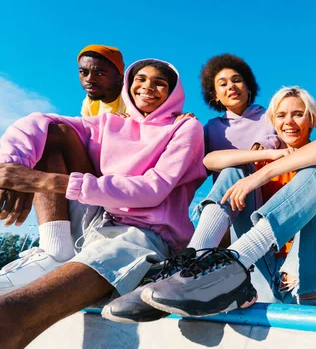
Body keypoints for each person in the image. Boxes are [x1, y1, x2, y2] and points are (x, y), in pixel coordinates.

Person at [104, 86, 316, 321]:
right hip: (258, 278)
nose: (289, 121)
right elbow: (210, 161)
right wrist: (268, 156)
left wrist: (263, 175)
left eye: (298, 114)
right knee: (235, 167)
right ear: (273, 122)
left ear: (311, 118)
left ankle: (235, 260)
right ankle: (190, 268)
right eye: (281, 115)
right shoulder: (264, 156)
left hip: (310, 280)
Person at [0, 59, 206, 348]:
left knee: (10, 314)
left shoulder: (185, 127)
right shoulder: (110, 122)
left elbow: (153, 189)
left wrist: (45, 181)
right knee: (55, 132)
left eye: (159, 82)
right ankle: (55, 249)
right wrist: (11, 167)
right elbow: (39, 120)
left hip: (141, 235)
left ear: (172, 92)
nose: (148, 86)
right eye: (141, 79)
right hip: (96, 218)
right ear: (129, 84)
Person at [78, 44, 126, 116]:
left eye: (99, 74)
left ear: (119, 79)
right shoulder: (89, 102)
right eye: (83, 72)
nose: (89, 79)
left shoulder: (133, 99)